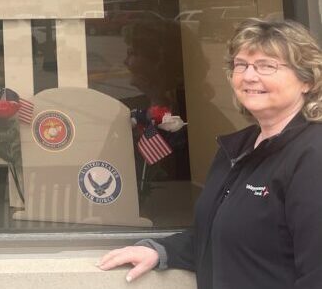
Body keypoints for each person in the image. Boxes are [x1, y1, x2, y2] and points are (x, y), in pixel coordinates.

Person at [98, 18, 322, 287]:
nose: (250, 76)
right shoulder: (238, 149)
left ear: (307, 80)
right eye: (241, 65)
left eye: (267, 66)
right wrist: (160, 251)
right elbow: (218, 236)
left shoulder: (312, 155)